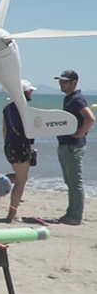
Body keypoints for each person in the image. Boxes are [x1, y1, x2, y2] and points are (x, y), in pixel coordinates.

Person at [54, 70, 95, 225]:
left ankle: (75, 216)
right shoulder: (69, 98)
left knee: (75, 182)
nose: (61, 84)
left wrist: (79, 134)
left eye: (64, 81)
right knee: (70, 182)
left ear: (74, 82)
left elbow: (90, 118)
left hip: (73, 146)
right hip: (66, 145)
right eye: (60, 82)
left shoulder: (77, 99)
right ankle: (71, 213)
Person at [2, 80, 36, 221]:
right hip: (21, 146)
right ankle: (12, 214)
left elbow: (4, 129)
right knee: (21, 180)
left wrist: (8, 144)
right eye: (30, 91)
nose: (31, 93)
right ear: (25, 93)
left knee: (19, 176)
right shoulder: (25, 109)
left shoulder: (7, 108)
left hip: (9, 146)